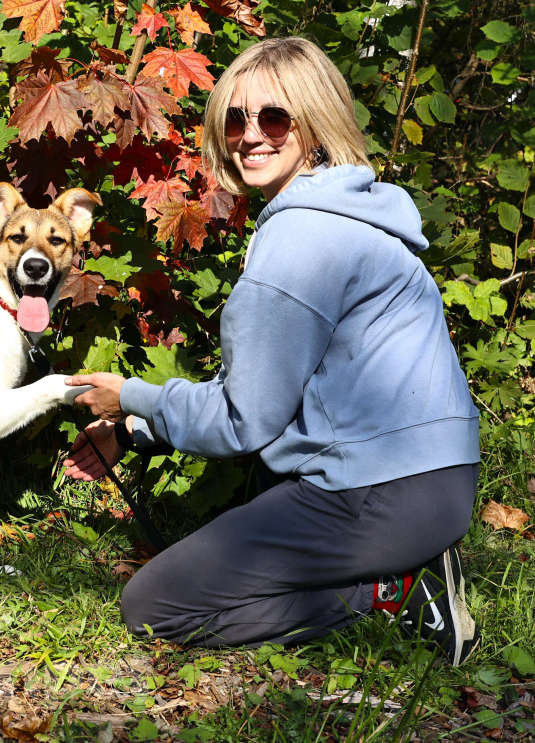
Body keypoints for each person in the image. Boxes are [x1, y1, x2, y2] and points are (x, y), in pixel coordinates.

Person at [62, 37, 481, 666]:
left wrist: (130, 396)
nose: (250, 135)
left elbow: (244, 422)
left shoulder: (298, 241)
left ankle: (391, 590)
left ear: (315, 122)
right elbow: (275, 398)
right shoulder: (360, 215)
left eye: (274, 117)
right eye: (235, 118)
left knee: (155, 605)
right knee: (263, 489)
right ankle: (396, 566)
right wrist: (138, 429)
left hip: (376, 495)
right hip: (436, 484)